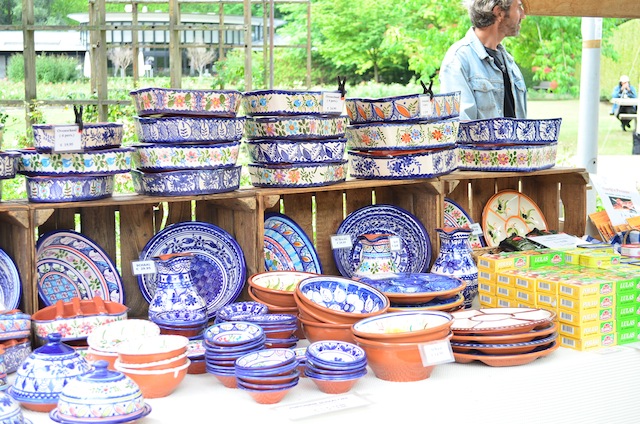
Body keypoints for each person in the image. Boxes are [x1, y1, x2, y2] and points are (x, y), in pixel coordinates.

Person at [439, 0, 527, 120]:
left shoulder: (509, 62)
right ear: (499, 12)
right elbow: (460, 124)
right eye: (518, 8)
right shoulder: (458, 59)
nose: (523, 15)